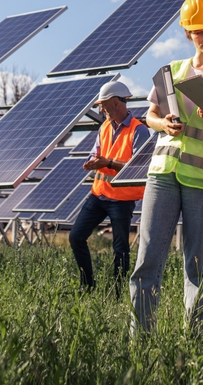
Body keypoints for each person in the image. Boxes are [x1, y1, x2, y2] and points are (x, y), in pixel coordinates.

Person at [129, 0, 203, 333]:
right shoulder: (171, 72)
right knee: (147, 260)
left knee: (197, 266)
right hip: (163, 175)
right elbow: (149, 114)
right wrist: (163, 123)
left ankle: (193, 343)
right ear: (188, 34)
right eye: (198, 31)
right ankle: (141, 340)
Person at [69, 80, 149, 292]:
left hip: (121, 200)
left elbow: (138, 169)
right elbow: (96, 152)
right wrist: (92, 161)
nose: (101, 109)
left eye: (103, 104)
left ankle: (117, 293)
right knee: (76, 236)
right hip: (98, 194)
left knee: (120, 248)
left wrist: (108, 163)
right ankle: (87, 286)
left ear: (116, 103)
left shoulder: (139, 131)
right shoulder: (104, 126)